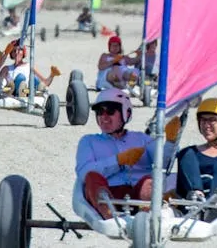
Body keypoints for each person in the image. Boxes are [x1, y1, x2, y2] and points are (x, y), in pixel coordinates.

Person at [76, 88, 182, 219]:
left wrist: (171, 142)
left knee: (151, 181)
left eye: (110, 111)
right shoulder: (88, 141)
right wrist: (117, 161)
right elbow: (83, 173)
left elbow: (162, 163)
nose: (104, 117)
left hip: (139, 194)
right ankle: (111, 218)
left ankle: (148, 215)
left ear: (125, 113)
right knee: (92, 177)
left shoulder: (141, 139)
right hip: (109, 194)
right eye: (99, 112)